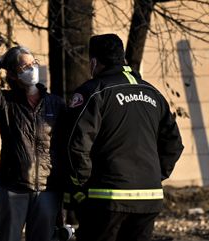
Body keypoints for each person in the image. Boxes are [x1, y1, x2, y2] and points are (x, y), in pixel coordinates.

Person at [64, 34, 184, 241]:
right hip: (149, 197)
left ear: (94, 62)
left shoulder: (94, 92)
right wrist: (156, 175)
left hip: (107, 197)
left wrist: (81, 183)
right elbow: (174, 144)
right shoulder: (153, 94)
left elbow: (76, 145)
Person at [0, 46, 66, 241]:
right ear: (14, 75)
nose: (31, 69)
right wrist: (3, 59)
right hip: (13, 186)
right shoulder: (6, 101)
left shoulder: (56, 104)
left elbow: (64, 145)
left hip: (47, 188)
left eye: (33, 63)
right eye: (24, 67)